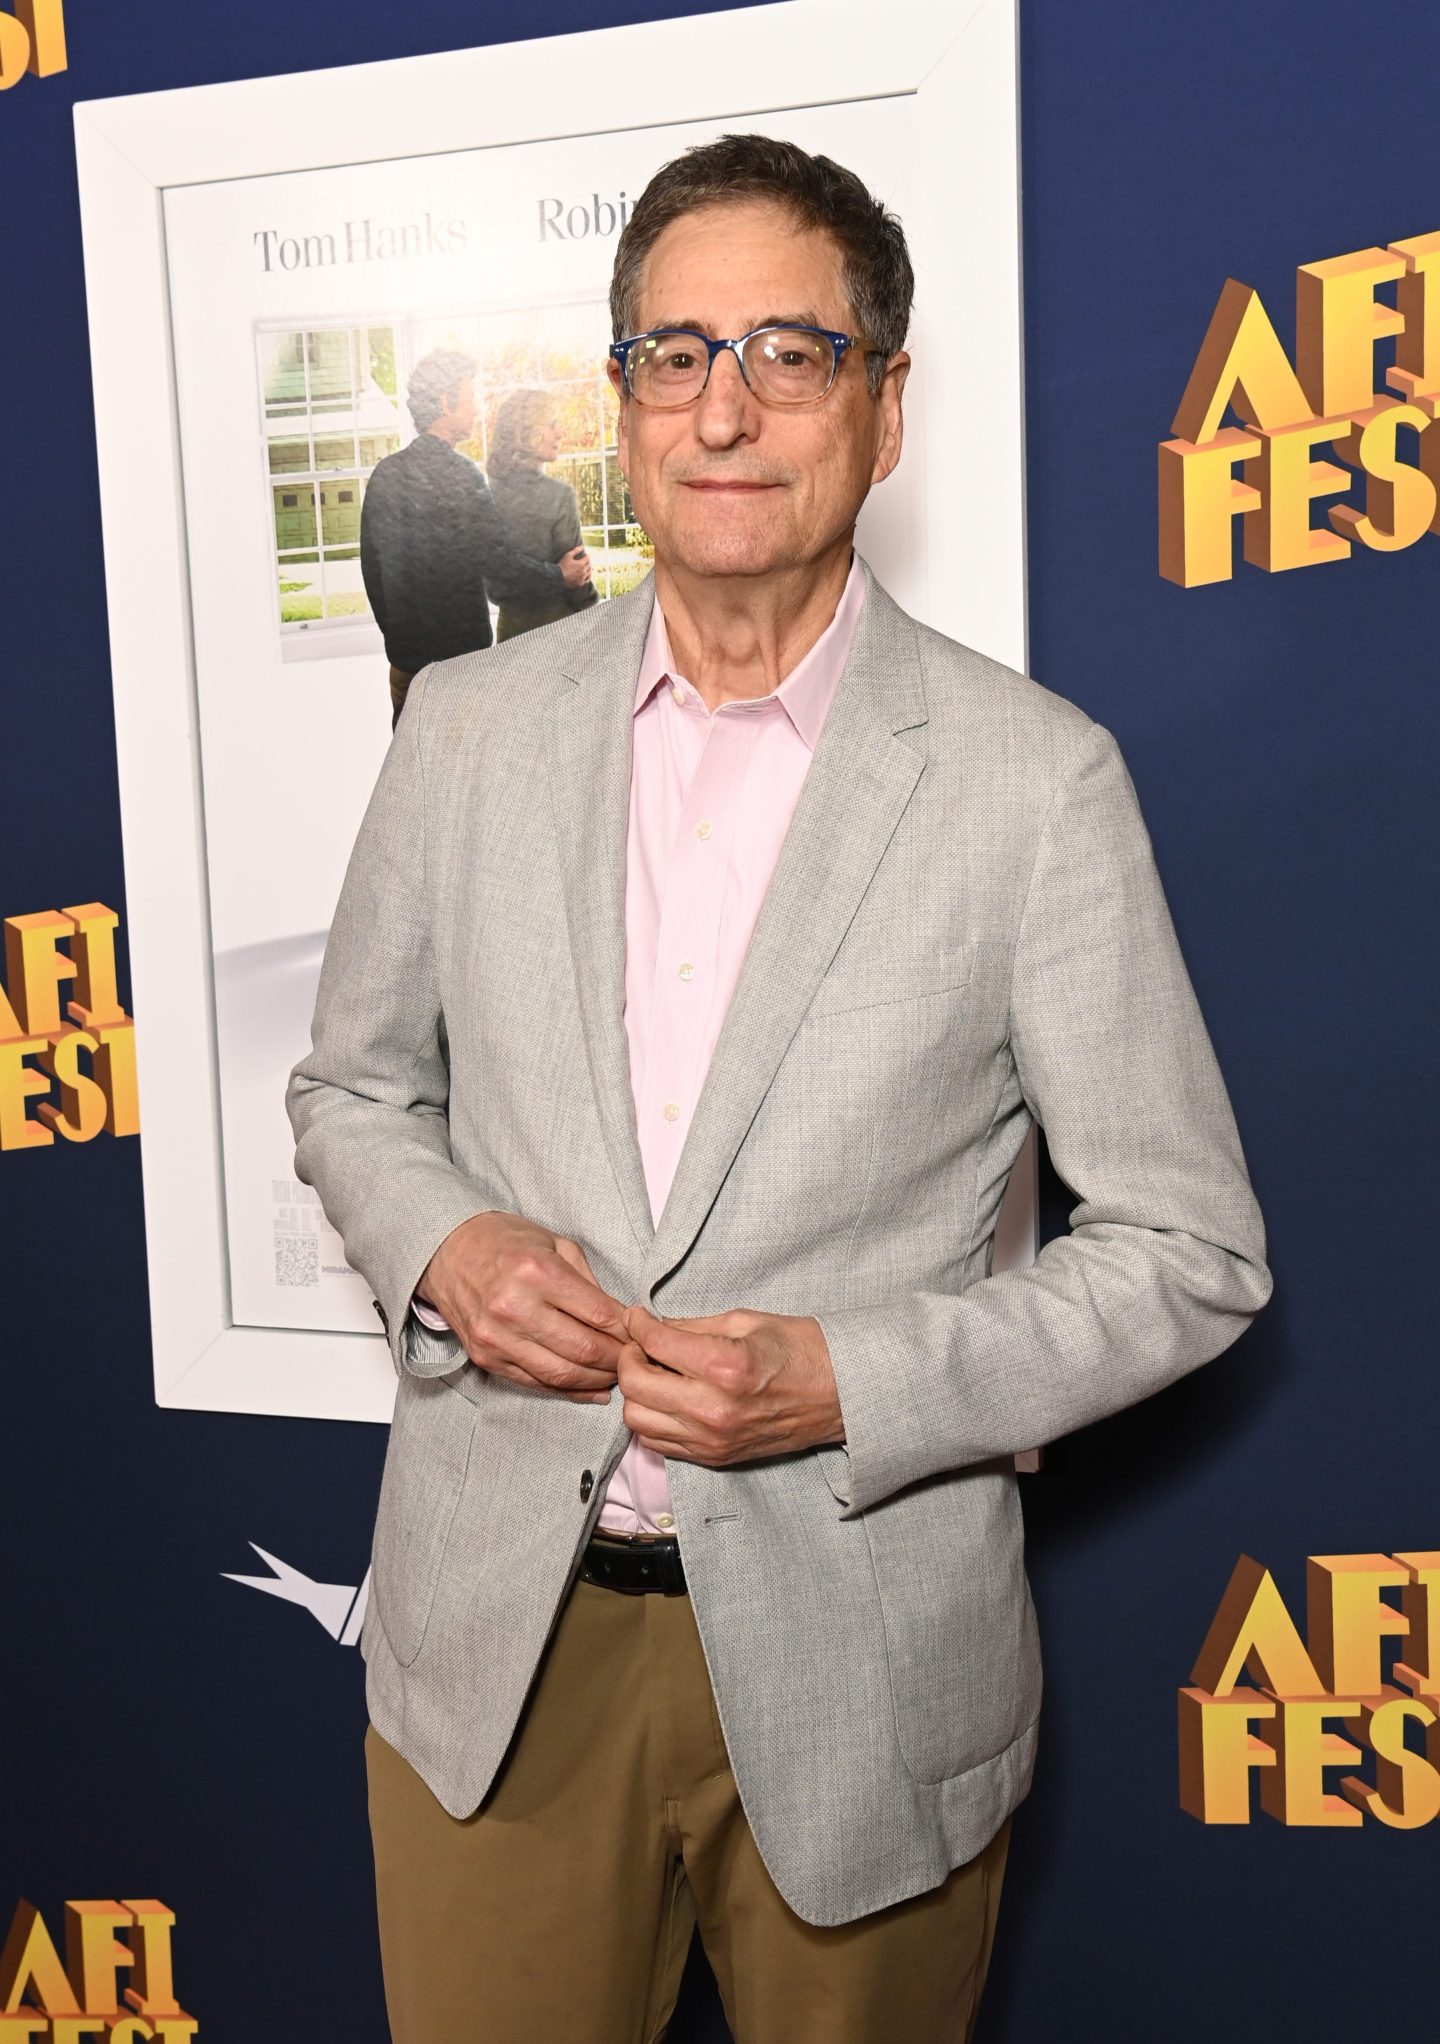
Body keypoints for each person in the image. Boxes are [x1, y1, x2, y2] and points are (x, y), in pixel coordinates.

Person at [288, 134, 1270, 2044]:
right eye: (675, 354)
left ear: (884, 409)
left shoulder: (1035, 781)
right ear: (622, 406)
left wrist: (849, 1379)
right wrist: (451, 1245)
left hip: (867, 1670)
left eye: (789, 354)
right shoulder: (464, 732)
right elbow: (350, 1090)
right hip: (499, 1657)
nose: (724, 409)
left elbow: (1189, 1249)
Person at [358, 347, 592, 725]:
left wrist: (400, 641)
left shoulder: (384, 475)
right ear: (445, 402)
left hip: (405, 669)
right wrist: (560, 576)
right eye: (470, 397)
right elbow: (499, 563)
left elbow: (373, 574)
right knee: (466, 762)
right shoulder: (462, 476)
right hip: (461, 671)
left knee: (413, 761)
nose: (477, 410)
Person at [486, 387, 600, 641]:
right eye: (551, 424)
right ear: (528, 432)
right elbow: (580, 586)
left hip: (510, 638)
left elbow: (494, 587)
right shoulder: (559, 496)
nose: (560, 432)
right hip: (560, 636)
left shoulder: (488, 496)